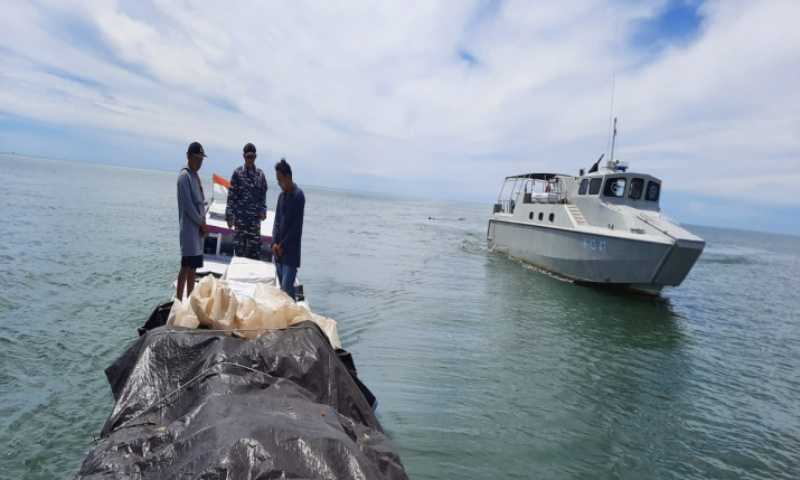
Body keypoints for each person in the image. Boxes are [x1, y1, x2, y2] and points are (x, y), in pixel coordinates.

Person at [176, 141, 209, 300]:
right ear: (189, 157)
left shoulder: (196, 177)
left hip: (198, 232)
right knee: (185, 266)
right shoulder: (184, 177)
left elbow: (200, 202)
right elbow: (188, 207)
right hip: (189, 231)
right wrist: (201, 223)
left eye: (202, 159)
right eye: (197, 158)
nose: (200, 162)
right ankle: (178, 300)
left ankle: (189, 299)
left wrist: (204, 224)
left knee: (193, 268)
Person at [225, 143, 268, 259]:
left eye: (252, 157)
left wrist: (263, 210)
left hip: (254, 223)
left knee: (254, 255)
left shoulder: (260, 175)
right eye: (248, 156)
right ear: (243, 156)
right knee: (239, 255)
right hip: (240, 222)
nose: (250, 159)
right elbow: (231, 197)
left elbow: (263, 196)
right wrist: (229, 216)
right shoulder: (237, 173)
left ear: (256, 157)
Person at [271, 159, 305, 300]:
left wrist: (282, 245)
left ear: (288, 177)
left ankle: (292, 319)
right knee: (282, 290)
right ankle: (288, 317)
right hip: (278, 252)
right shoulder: (281, 197)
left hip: (290, 252)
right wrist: (274, 243)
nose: (279, 184)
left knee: (286, 289)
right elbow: (276, 222)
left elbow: (295, 228)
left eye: (280, 180)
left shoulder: (298, 196)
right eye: (277, 180)